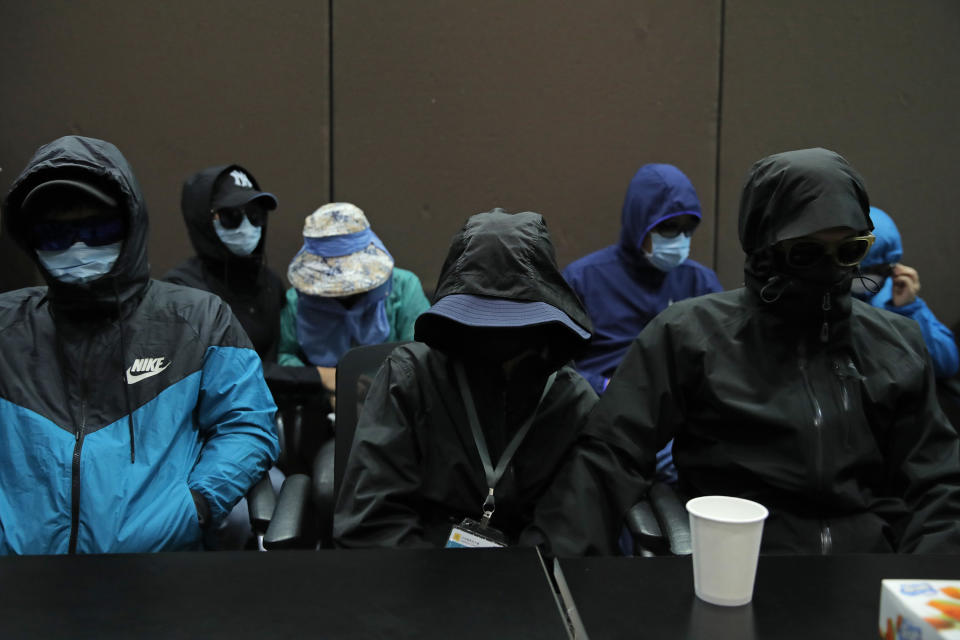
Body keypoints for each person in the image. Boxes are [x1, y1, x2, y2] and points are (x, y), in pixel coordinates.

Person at [525, 148, 960, 556]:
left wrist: (925, 585)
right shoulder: (692, 336)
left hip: (869, 567)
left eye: (850, 250)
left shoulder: (895, 345)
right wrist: (545, 577)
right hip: (739, 563)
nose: (831, 269)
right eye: (806, 252)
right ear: (766, 249)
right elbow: (608, 457)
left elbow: (938, 482)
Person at [0, 135, 279, 554]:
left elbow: (247, 424)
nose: (78, 247)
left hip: (158, 571)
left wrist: (197, 504)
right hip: (21, 578)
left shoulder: (199, 319)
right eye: (56, 234)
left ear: (130, 224)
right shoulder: (6, 327)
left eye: (98, 228)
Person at [334, 208, 599, 548]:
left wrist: (516, 583)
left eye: (512, 320)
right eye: (481, 318)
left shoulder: (572, 401)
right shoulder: (408, 379)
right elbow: (373, 519)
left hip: (527, 582)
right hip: (416, 576)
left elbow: (570, 529)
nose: (496, 335)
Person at [563, 163, 722, 485]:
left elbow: (725, 366)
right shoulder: (584, 278)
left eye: (687, 229)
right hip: (607, 411)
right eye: (668, 229)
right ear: (639, 224)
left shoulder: (700, 282)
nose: (679, 239)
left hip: (681, 416)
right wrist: (604, 387)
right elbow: (555, 367)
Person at [279, 202, 430, 395]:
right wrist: (322, 385)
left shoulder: (405, 287)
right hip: (321, 407)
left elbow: (420, 355)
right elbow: (286, 355)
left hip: (396, 402)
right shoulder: (296, 301)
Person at [852, 206, 958, 379]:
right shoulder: (822, 299)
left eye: (877, 269)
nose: (862, 279)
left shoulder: (892, 294)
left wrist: (909, 309)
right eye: (856, 271)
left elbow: (945, 365)